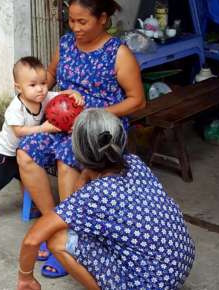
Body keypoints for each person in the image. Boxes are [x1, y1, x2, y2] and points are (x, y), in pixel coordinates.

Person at [17, 0, 146, 268]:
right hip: (62, 123)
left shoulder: (118, 53)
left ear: (102, 19)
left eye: (82, 21)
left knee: (67, 161)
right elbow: (51, 73)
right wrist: (34, 93)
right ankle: (57, 227)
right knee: (25, 151)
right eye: (71, 21)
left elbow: (137, 101)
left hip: (99, 130)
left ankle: (71, 240)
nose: (75, 27)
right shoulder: (65, 44)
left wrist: (92, 115)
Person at [17, 109, 195, 290]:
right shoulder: (134, 163)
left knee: (56, 238)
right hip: (178, 264)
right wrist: (87, 170)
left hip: (147, 284)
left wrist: (25, 278)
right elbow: (89, 183)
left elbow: (32, 239)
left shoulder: (94, 195)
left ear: (78, 152)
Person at [0, 56, 83, 227]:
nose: (40, 89)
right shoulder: (15, 108)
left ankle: (32, 204)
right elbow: (19, 132)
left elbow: (63, 95)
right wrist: (43, 128)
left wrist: (74, 93)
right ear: (18, 87)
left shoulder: (43, 97)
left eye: (43, 83)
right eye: (33, 85)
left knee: (26, 179)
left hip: (23, 151)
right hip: (5, 152)